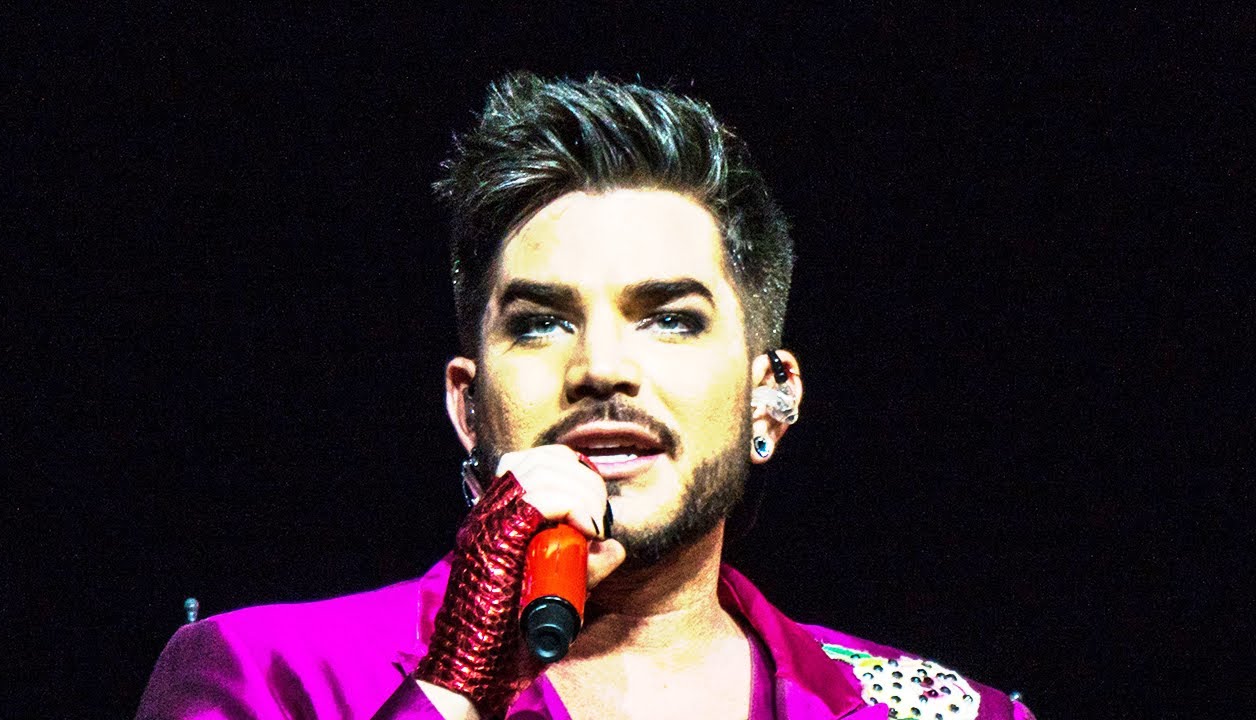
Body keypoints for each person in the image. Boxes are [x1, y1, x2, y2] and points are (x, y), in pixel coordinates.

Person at [136, 73, 1035, 720]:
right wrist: (454, 685)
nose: (601, 367)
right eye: (540, 324)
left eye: (671, 319)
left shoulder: (951, 713)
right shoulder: (266, 677)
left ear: (771, 397)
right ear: (468, 407)